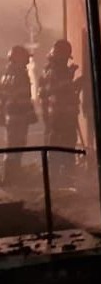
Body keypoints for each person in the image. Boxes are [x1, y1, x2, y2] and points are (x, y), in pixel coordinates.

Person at [0, 45, 38, 185]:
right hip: (18, 117)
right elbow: (23, 98)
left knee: (12, 146)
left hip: (11, 117)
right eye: (25, 58)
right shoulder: (19, 74)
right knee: (16, 146)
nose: (27, 61)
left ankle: (10, 175)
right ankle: (12, 177)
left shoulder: (7, 75)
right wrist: (30, 115)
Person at [38, 39, 83, 152]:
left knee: (55, 144)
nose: (66, 61)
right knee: (66, 145)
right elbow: (62, 89)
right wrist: (77, 82)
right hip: (62, 115)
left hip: (54, 115)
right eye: (65, 58)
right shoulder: (57, 70)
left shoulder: (48, 70)